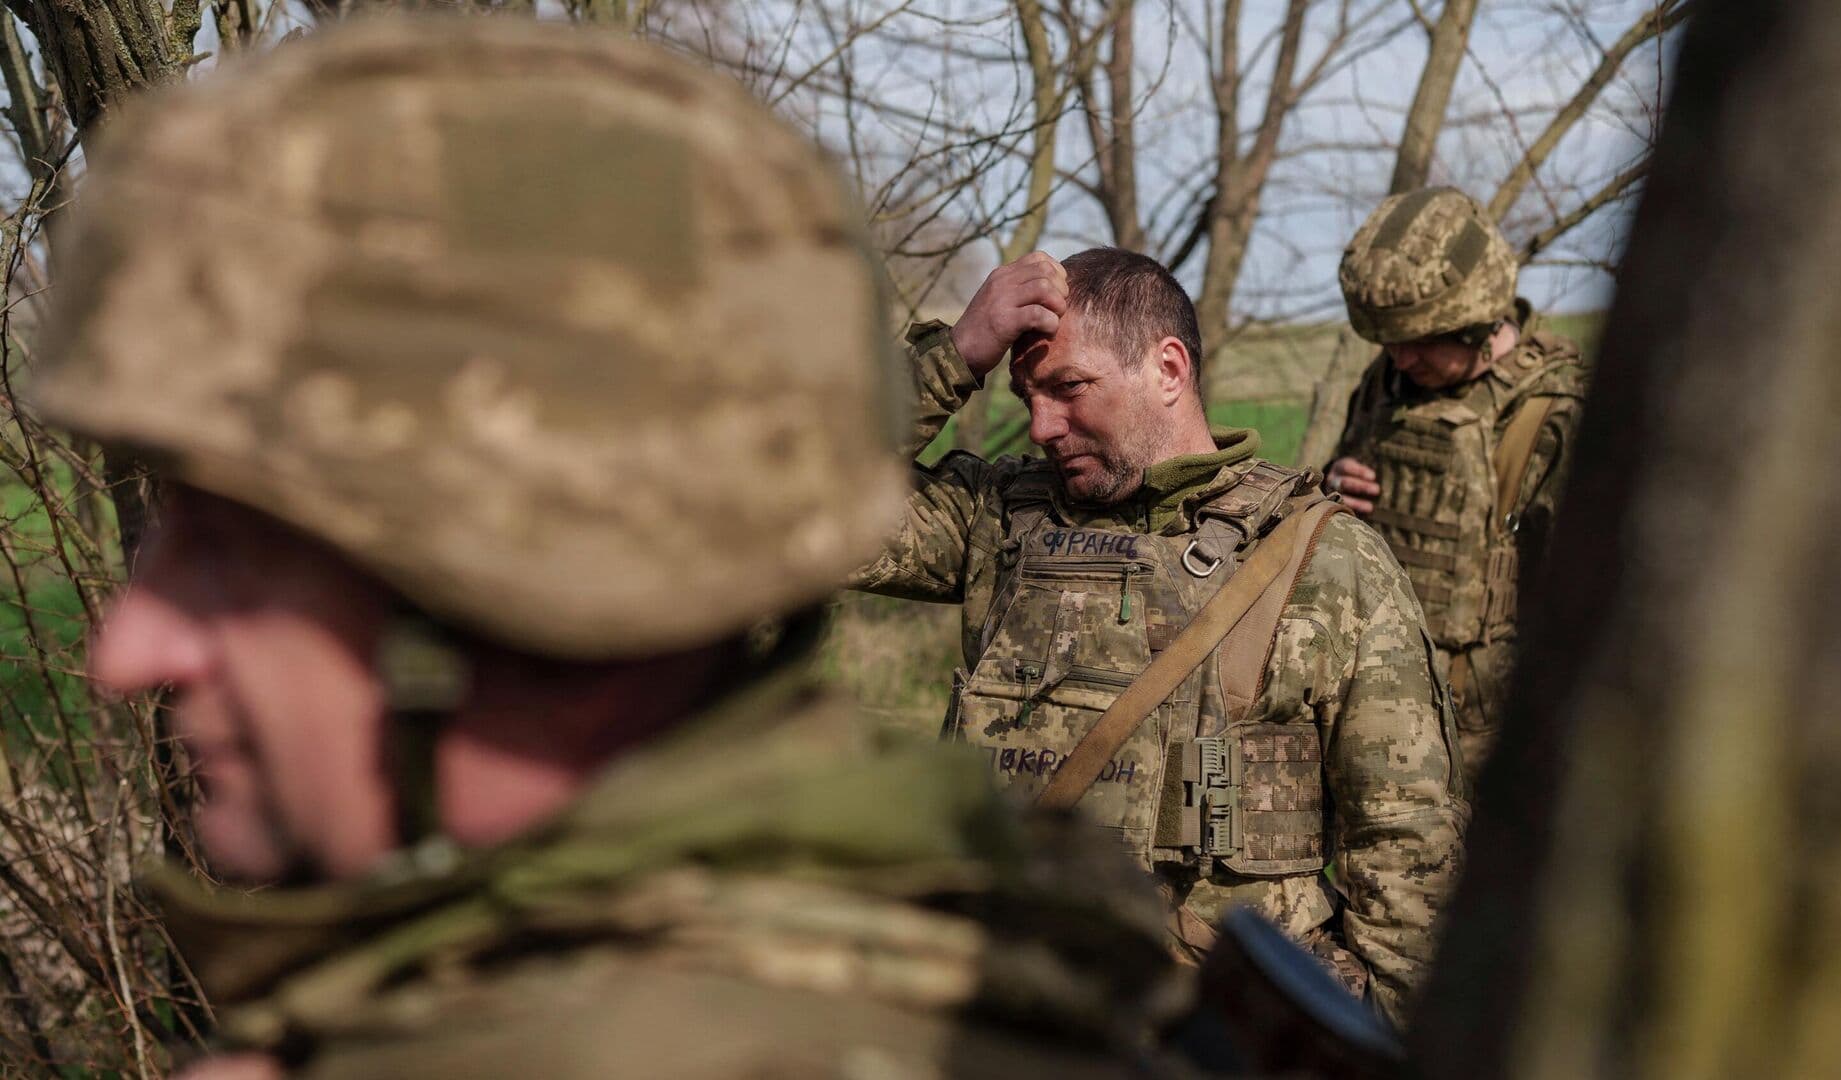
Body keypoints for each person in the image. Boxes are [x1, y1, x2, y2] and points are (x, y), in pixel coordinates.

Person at [32, 19, 1189, 1079]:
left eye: (233, 549)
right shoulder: (964, 949)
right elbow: (828, 510)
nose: (126, 650)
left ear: (511, 571)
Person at [852, 246, 1467, 1026]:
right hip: (993, 1006)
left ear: (1168, 369)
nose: (1042, 424)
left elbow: (1408, 855)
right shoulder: (997, 518)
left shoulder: (1321, 559)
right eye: (1026, 394)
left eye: (1070, 387)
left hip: (1198, 1031)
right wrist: (955, 355)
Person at [1326, 187, 1589, 790]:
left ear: (1477, 322)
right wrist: (1333, 489)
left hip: (1486, 732)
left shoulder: (1554, 410)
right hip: (1371, 703)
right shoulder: (1385, 383)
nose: (1400, 356)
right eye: (1387, 340)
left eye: (1419, 339)